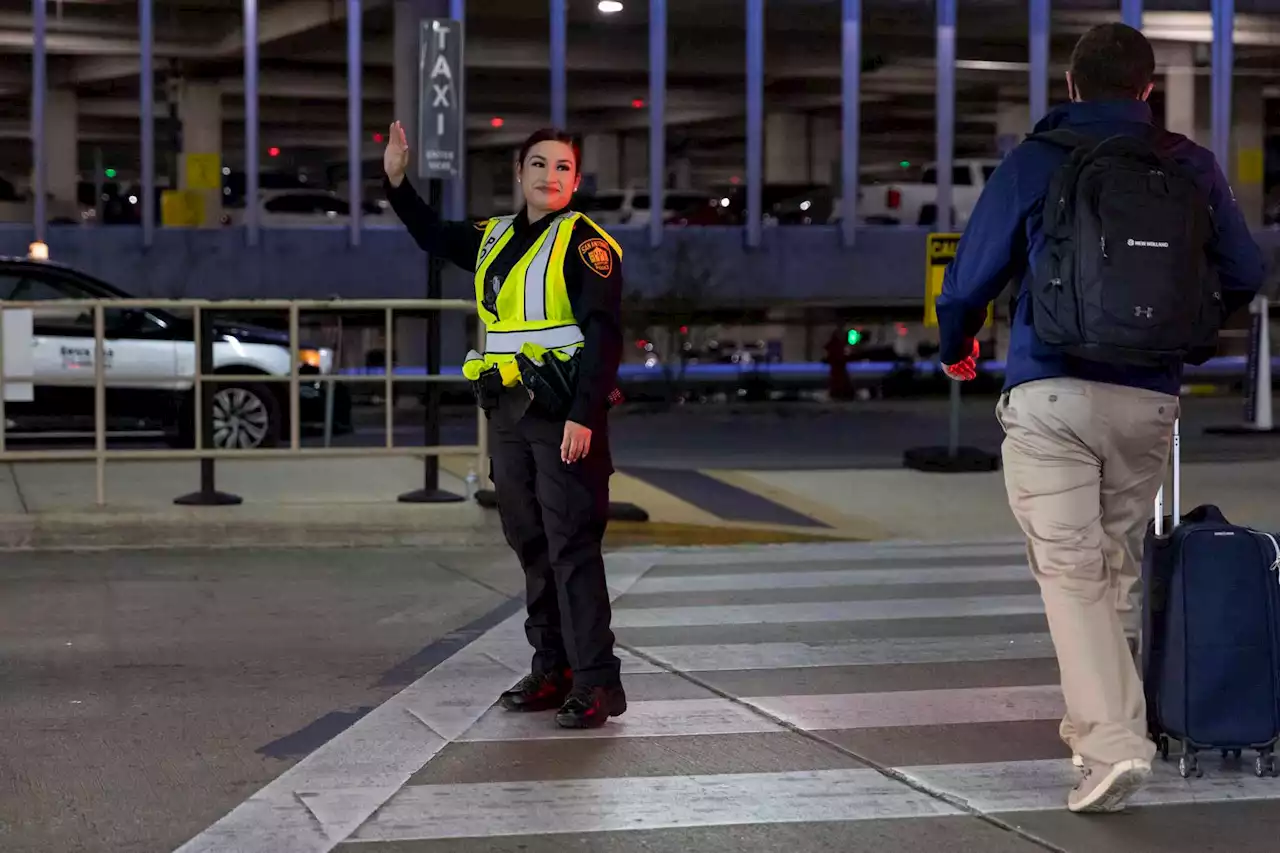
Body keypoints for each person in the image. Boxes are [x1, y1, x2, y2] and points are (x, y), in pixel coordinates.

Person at [936, 23, 1265, 812]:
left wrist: (957, 345)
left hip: (1052, 391)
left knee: (1072, 572)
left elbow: (970, 276)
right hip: (1148, 398)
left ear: (1072, 87)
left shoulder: (1037, 161)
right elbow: (1248, 271)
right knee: (1107, 570)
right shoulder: (1190, 165)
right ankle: (1095, 725)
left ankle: (1115, 743)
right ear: (1148, 90)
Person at [382, 122, 627, 729]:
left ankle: (598, 683)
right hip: (510, 412)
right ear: (519, 174)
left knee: (572, 545)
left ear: (575, 179)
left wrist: (585, 416)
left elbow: (604, 335)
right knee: (531, 541)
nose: (551, 176)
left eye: (564, 167)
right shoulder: (492, 238)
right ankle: (554, 669)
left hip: (561, 409)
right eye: (539, 165)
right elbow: (433, 235)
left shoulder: (586, 244)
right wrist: (396, 182)